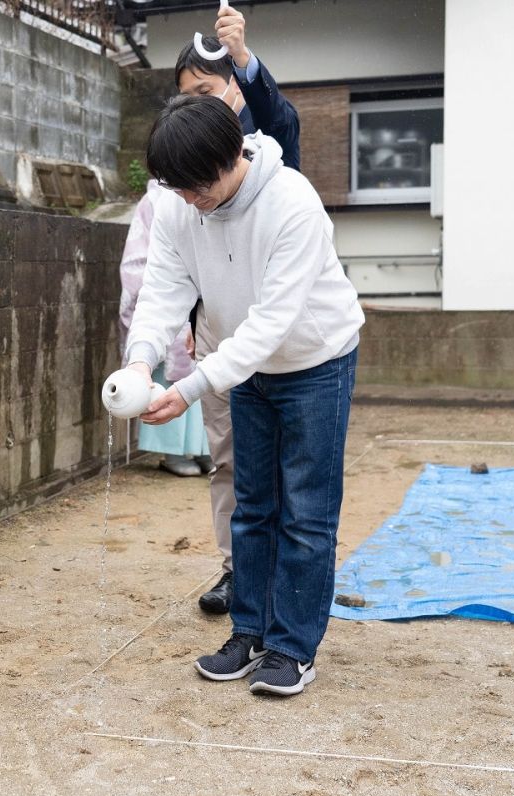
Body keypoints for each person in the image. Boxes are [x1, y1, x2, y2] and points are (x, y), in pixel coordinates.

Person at [124, 95, 363, 695]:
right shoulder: (182, 205)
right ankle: (250, 631)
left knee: (306, 513)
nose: (187, 200)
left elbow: (272, 323)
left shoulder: (292, 204)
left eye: (195, 187)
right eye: (177, 189)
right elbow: (162, 291)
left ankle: (292, 648)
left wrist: (188, 387)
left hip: (314, 361)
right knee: (252, 504)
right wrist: (139, 361)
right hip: (242, 364)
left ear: (234, 156)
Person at [173, 6, 301, 613]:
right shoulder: (184, 173)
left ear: (232, 87)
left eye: (207, 90)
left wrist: (246, 61)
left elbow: (283, 124)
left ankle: (287, 578)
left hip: (284, 334)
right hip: (218, 332)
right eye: (185, 97)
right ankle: (237, 568)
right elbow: (172, 267)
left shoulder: (270, 151)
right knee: (227, 460)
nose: (197, 105)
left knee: (289, 467)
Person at [119, 182, 211, 477]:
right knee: (164, 382)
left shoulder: (209, 194)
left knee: (208, 376)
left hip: (201, 301)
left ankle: (205, 449)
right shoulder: (155, 201)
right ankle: (171, 452)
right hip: (167, 299)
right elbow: (138, 259)